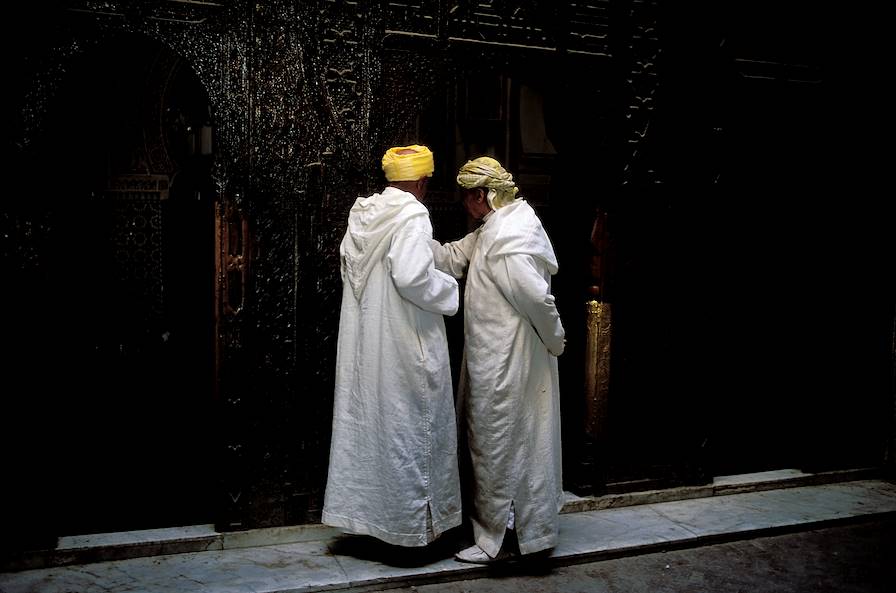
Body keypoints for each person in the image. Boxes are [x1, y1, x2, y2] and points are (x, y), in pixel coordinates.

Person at [321, 145, 463, 548]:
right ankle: (410, 530)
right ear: (420, 182)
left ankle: (372, 523)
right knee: (409, 430)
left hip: (369, 343)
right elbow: (412, 275)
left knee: (374, 428)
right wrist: (450, 290)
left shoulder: (362, 213)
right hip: (404, 343)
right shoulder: (413, 215)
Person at [429, 156, 566, 564]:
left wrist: (556, 339)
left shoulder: (511, 236)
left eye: (466, 199)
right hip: (493, 358)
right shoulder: (493, 228)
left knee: (502, 444)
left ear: (481, 197)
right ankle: (501, 533)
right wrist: (404, 232)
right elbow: (454, 257)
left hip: (511, 361)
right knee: (492, 442)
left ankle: (504, 541)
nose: (464, 207)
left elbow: (536, 298)